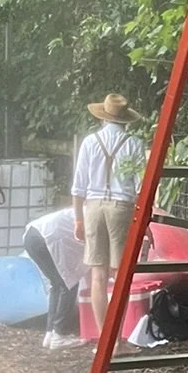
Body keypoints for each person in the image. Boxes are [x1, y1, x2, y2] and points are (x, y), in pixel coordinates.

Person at [71, 94, 148, 341]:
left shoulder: (89, 142)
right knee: (120, 274)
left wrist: (78, 219)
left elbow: (78, 186)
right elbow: (141, 187)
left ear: (103, 117)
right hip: (121, 207)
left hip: (92, 207)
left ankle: (107, 340)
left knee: (98, 275)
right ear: (125, 119)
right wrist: (144, 220)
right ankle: (119, 339)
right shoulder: (134, 143)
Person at [23, 204, 87, 348]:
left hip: (32, 235)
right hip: (47, 238)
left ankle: (50, 333)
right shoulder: (96, 216)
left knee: (57, 284)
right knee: (68, 283)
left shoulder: (87, 209)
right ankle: (59, 334)